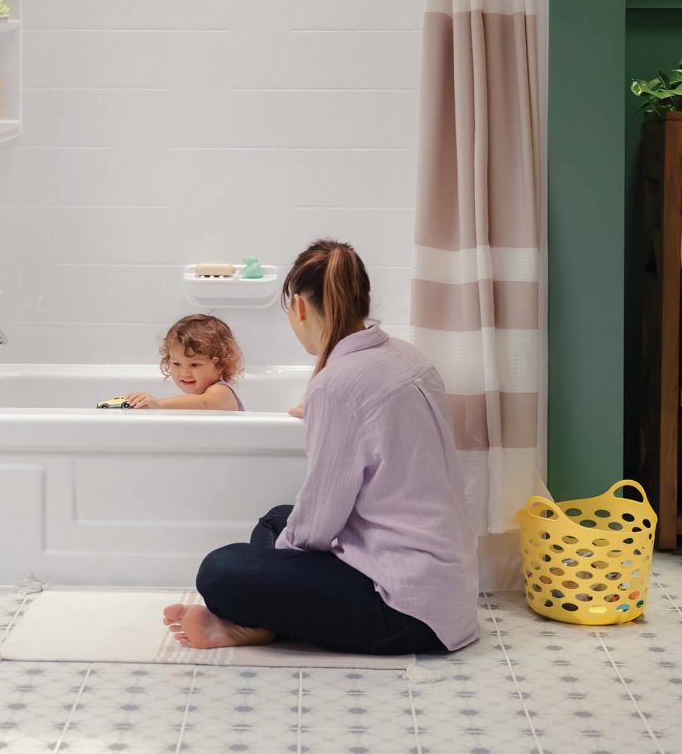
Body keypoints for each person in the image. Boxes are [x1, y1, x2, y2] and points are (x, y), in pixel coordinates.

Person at [162, 240, 480, 655]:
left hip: (404, 610)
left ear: (299, 306)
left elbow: (319, 521)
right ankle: (263, 618)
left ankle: (254, 621)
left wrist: (273, 574)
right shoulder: (408, 357)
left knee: (220, 571)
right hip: (446, 588)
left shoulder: (337, 382)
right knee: (276, 521)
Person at [126, 314, 244, 411]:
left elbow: (204, 403)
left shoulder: (221, 391)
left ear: (219, 365)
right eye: (176, 364)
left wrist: (158, 405)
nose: (184, 373)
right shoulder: (198, 395)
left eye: (194, 364)